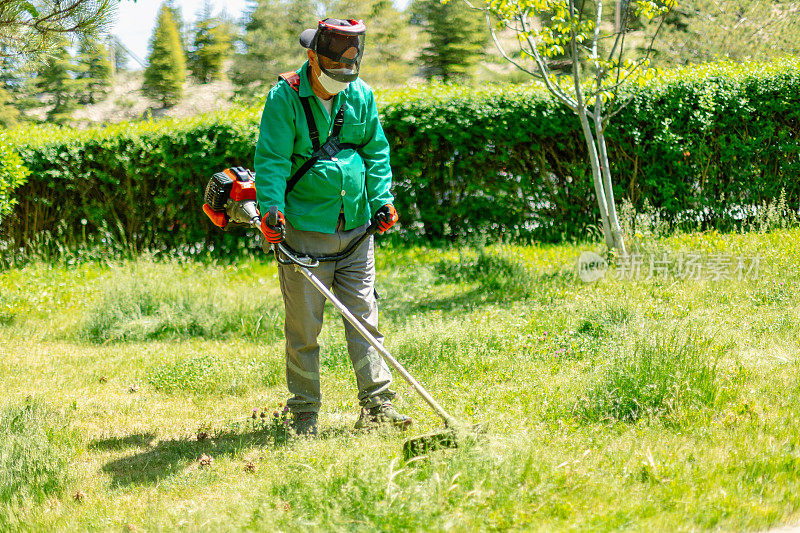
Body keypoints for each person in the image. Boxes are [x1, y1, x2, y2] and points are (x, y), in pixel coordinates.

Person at [253, 18, 410, 436]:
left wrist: (382, 201)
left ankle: (378, 407)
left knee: (364, 320)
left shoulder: (361, 94)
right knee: (304, 329)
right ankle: (304, 413)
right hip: (304, 234)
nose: (342, 82)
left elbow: (376, 152)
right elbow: (270, 161)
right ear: (312, 59)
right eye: (334, 75)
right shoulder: (283, 100)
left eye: (348, 74)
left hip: (357, 231)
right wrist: (271, 209)